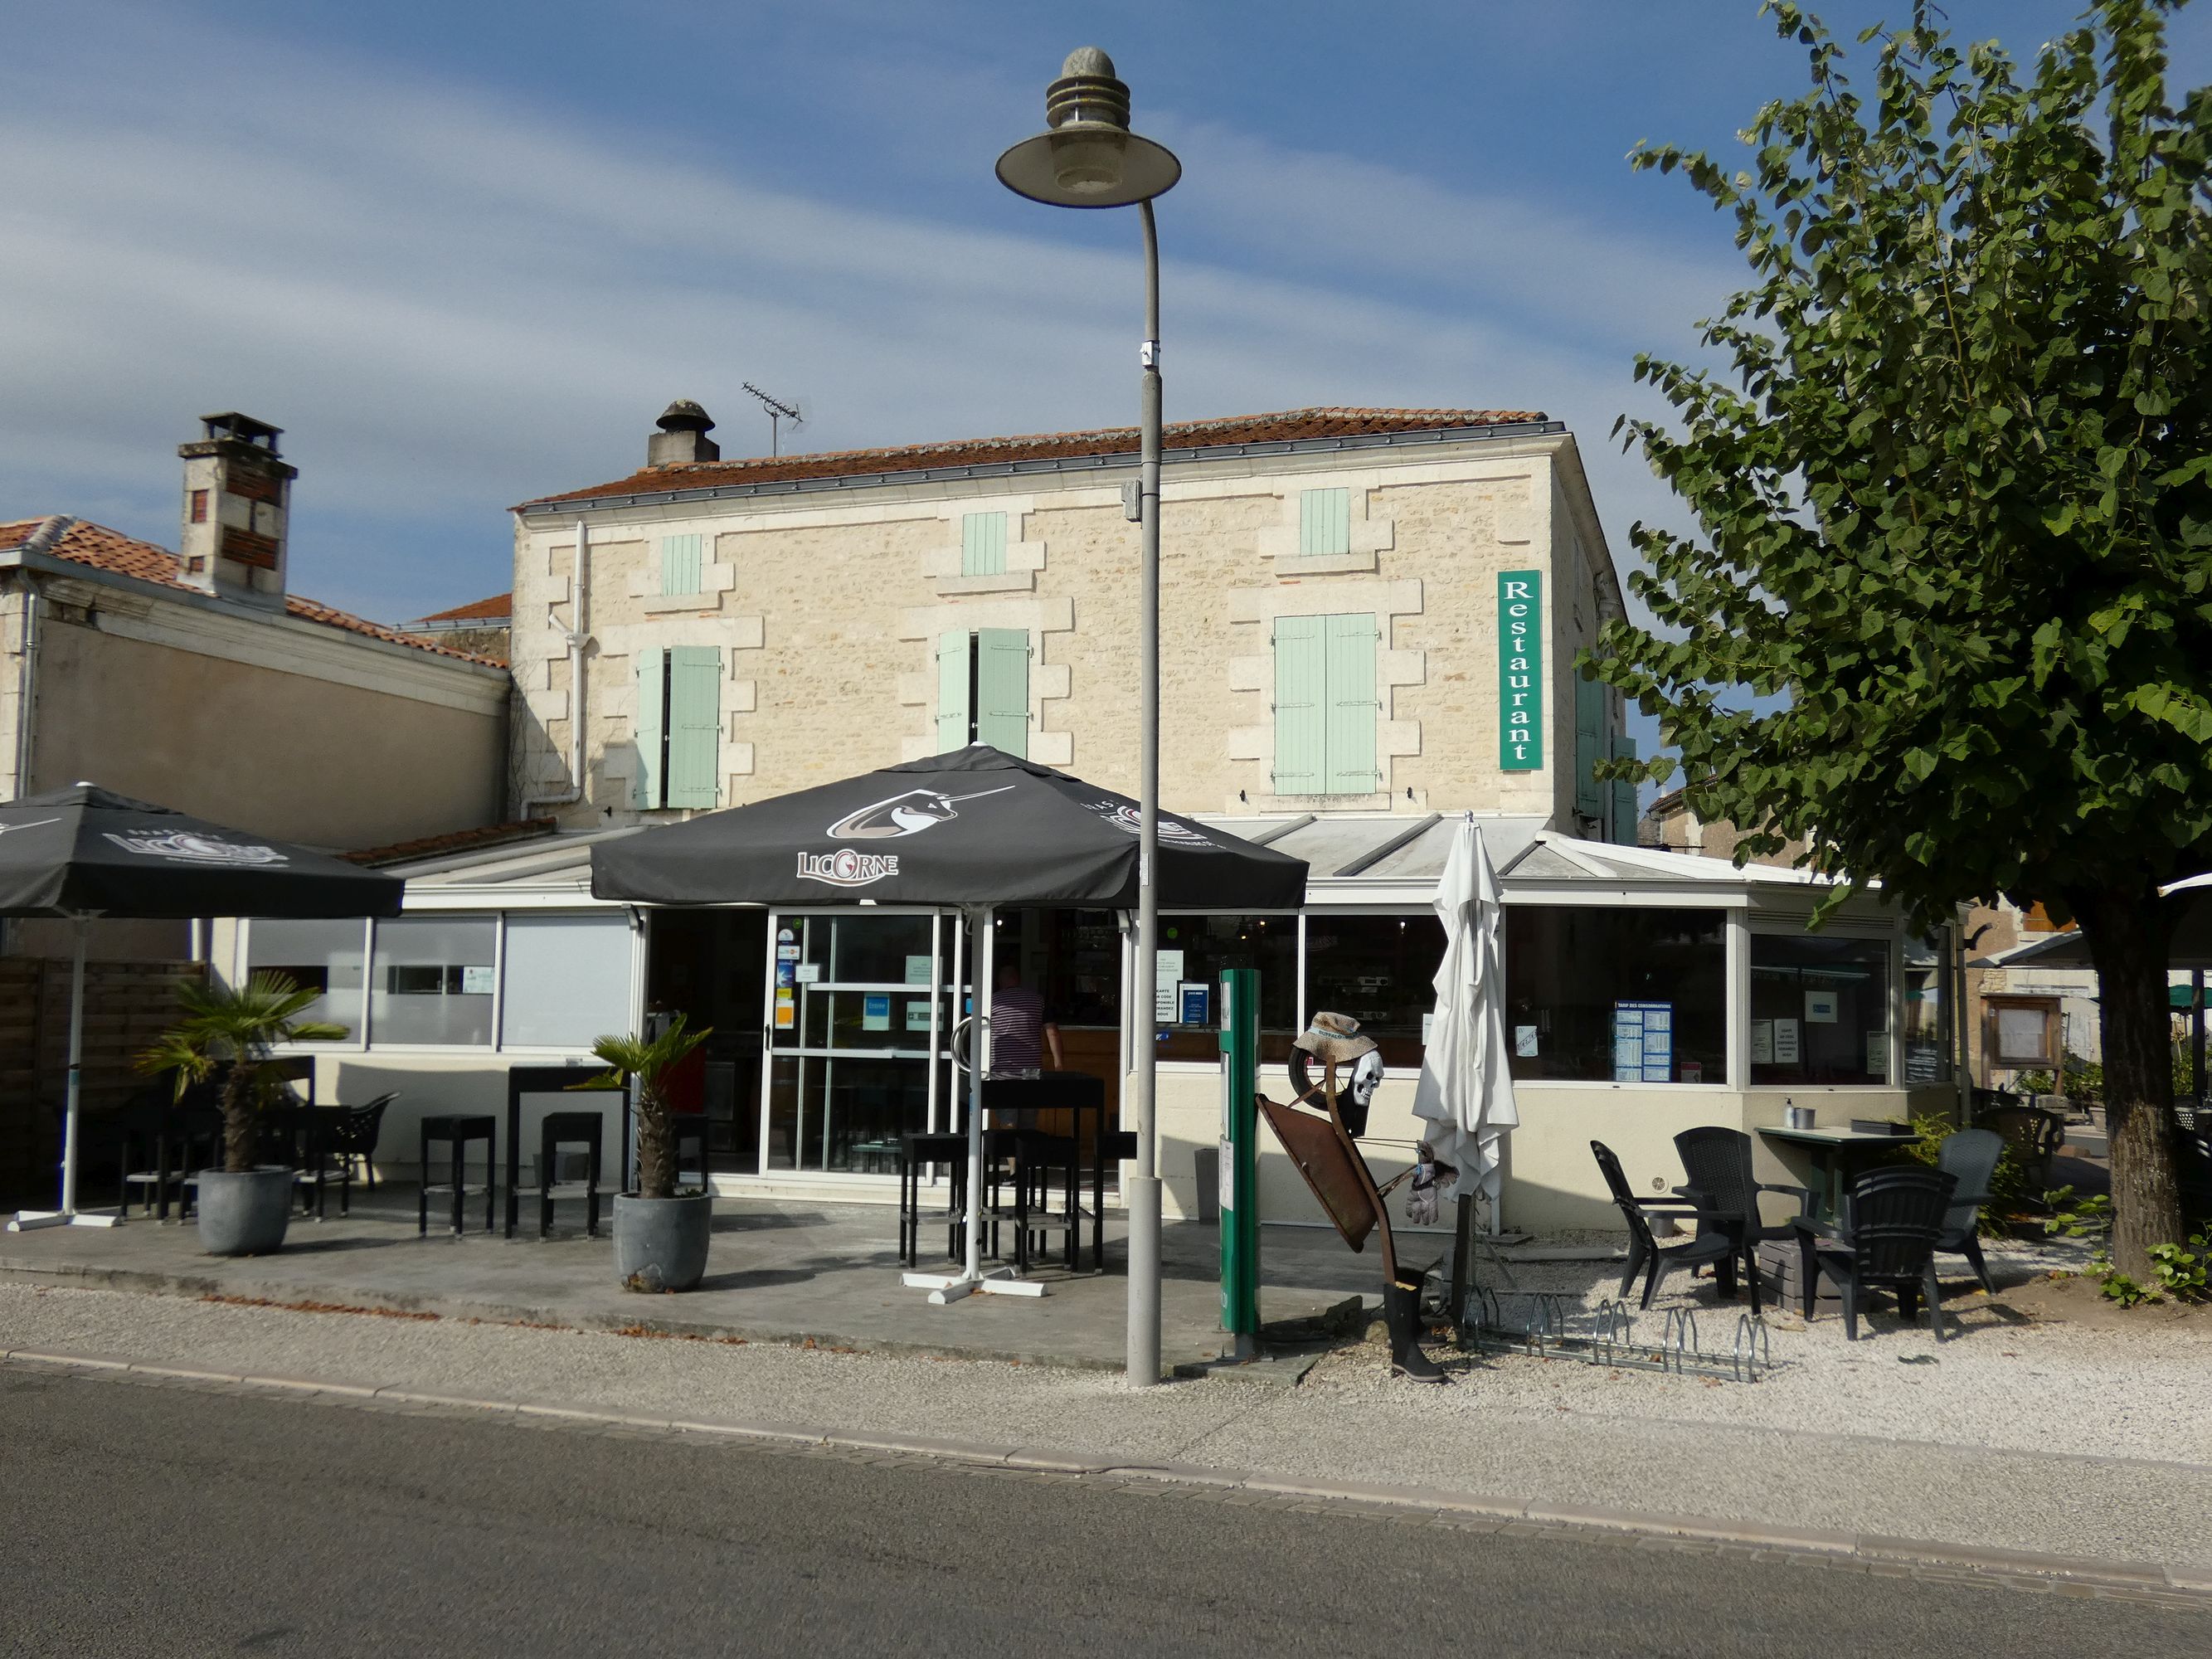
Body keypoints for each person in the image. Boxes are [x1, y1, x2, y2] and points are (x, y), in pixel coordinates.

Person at [989, 959, 1062, 1078]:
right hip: (1030, 1071)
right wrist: (1058, 1065)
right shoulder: (1038, 1000)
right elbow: (1053, 1033)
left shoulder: (991, 1002)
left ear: (999, 981)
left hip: (1001, 1069)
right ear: (1018, 979)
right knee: (1028, 1096)